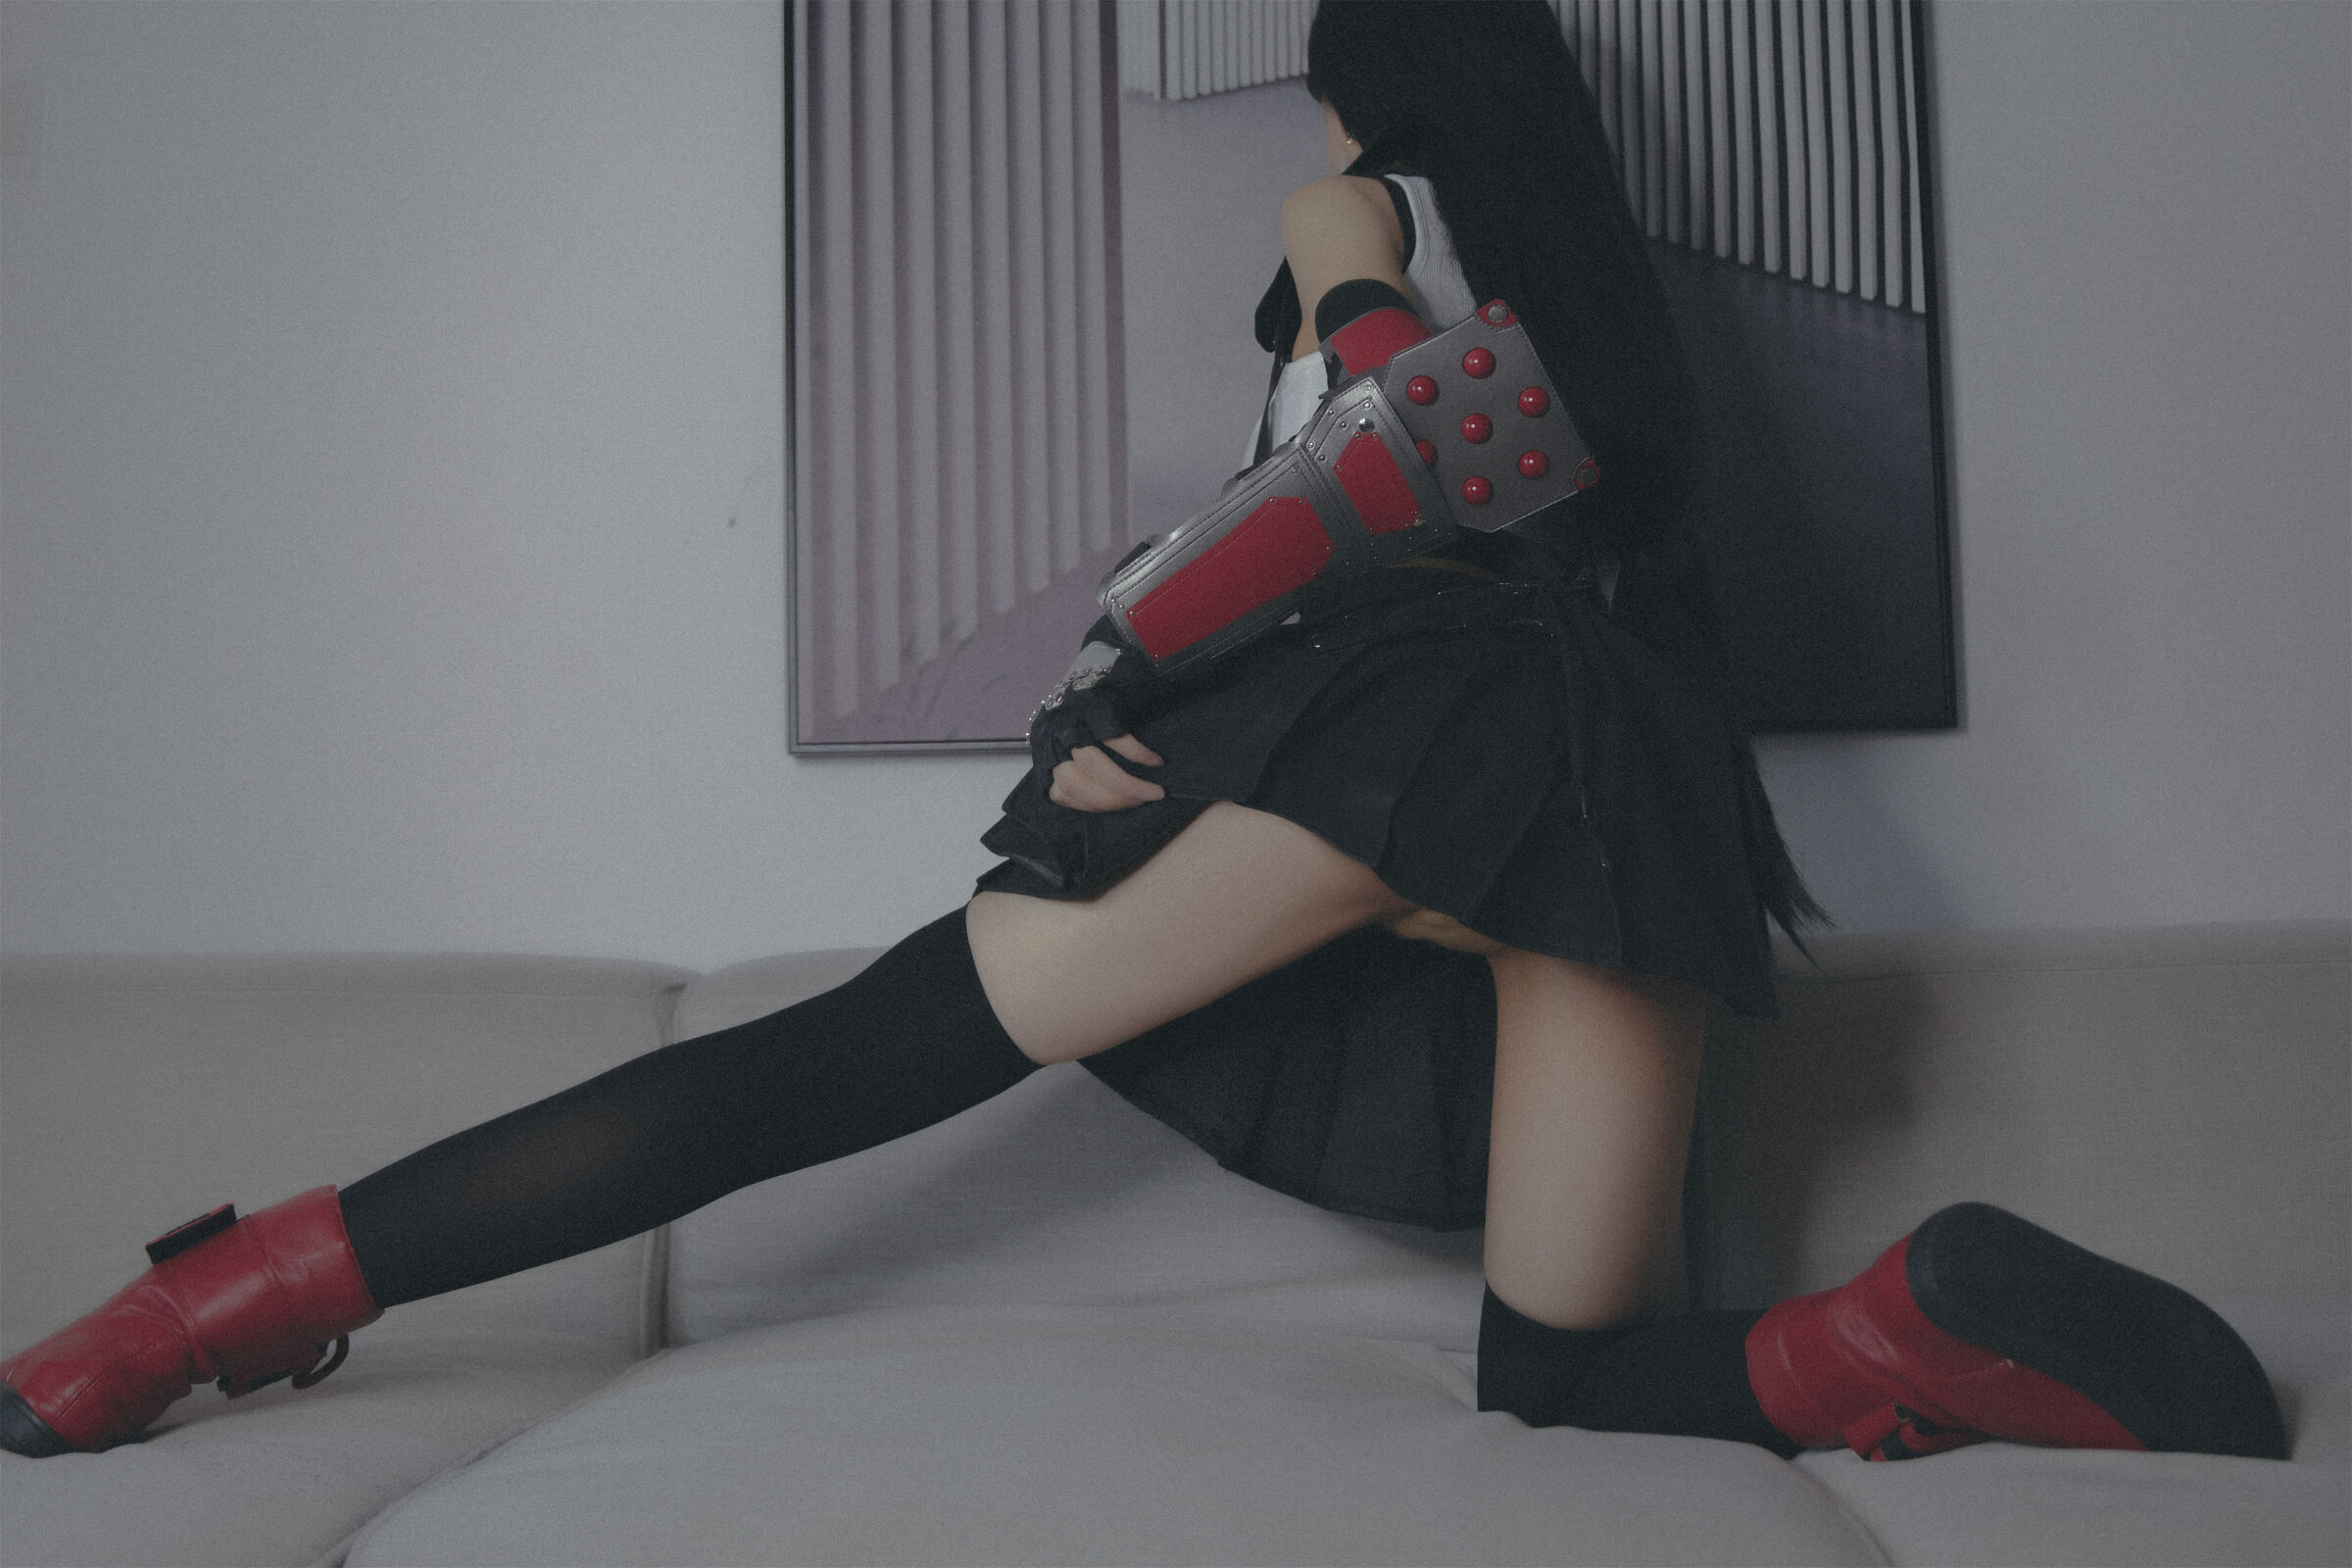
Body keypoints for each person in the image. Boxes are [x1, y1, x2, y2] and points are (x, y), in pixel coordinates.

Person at [0, 0, 2284, 1468]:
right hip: (1631, 785)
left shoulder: (1364, 201)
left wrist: (1321, 300)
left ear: (1363, 85)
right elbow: (1487, 497)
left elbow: (1397, 463)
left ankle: (200, 1306)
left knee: (833, 1062)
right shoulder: (1592, 295)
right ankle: (1897, 1334)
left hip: (1448, 730)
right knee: (1568, 1372)